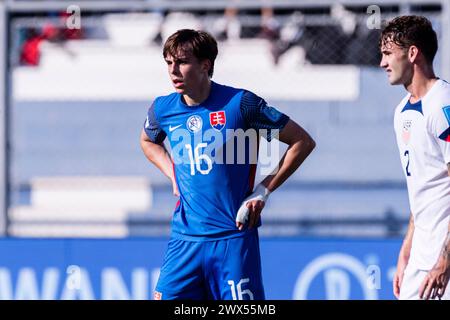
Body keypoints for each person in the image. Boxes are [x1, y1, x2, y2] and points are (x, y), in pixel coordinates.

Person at [140, 29, 315, 300]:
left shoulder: (240, 104)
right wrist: (172, 171)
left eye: (182, 62)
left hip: (233, 239)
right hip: (184, 241)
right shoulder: (163, 109)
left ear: (205, 65)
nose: (173, 70)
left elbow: (301, 141)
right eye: (168, 62)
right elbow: (148, 142)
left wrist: (263, 190)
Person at [379, 15, 450, 300]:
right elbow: (420, 186)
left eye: (387, 54)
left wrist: (445, 259)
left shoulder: (442, 105)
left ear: (412, 53)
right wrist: (406, 249)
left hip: (443, 259)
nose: (382, 63)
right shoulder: (401, 112)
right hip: (421, 257)